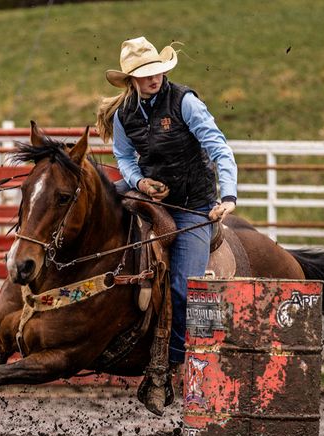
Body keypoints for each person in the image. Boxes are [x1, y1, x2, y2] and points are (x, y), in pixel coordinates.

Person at [96, 36, 238, 412]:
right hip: (152, 189)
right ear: (131, 80)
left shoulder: (185, 102)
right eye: (144, 74)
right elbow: (124, 157)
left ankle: (166, 366)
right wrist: (140, 182)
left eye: (156, 71)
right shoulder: (124, 113)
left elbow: (218, 146)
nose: (152, 78)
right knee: (99, 200)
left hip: (192, 204)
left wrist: (228, 197)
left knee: (182, 289)